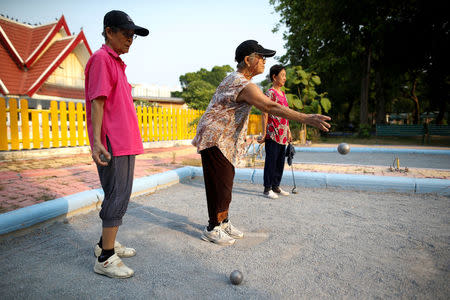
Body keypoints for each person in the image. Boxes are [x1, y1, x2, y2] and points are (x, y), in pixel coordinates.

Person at [192, 40, 331, 246]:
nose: (265, 61)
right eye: (261, 57)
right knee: (219, 183)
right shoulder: (241, 83)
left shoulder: (241, 81)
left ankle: (223, 221)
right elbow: (268, 106)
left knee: (226, 181)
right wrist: (305, 118)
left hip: (225, 140)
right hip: (216, 137)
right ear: (248, 60)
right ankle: (213, 227)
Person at [84, 10, 149, 278]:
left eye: (133, 36)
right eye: (125, 34)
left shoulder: (116, 62)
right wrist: (97, 141)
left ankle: (104, 244)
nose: (130, 39)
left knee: (117, 193)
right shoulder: (101, 59)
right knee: (117, 195)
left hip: (124, 141)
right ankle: (106, 258)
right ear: (109, 31)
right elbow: (97, 101)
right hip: (113, 142)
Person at [259, 65, 291, 199]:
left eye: (285, 75)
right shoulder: (269, 93)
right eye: (282, 75)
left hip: (283, 133)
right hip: (272, 132)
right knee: (271, 161)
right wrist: (263, 132)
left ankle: (276, 186)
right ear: (274, 77)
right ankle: (267, 189)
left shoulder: (283, 95)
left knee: (279, 161)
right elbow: (264, 113)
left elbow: (287, 114)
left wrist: (288, 131)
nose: (284, 78)